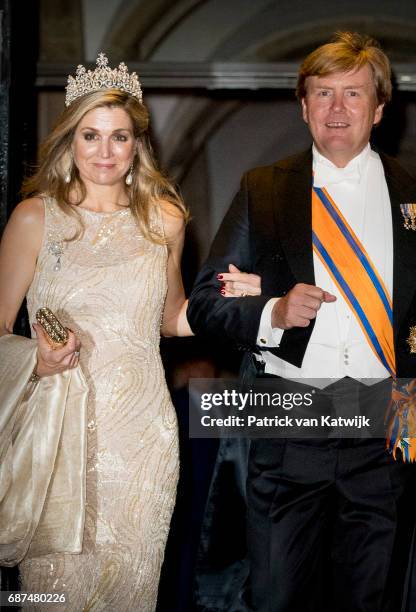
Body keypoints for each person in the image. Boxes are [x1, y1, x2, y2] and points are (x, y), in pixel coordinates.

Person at [188, 32, 416, 611]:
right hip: (289, 423)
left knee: (375, 597)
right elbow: (205, 302)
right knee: (277, 597)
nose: (336, 109)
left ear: (379, 109)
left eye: (353, 94)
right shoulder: (263, 189)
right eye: (322, 93)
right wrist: (273, 313)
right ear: (303, 107)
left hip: (386, 427)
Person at [0, 54, 258, 611]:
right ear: (69, 141)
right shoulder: (34, 219)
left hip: (145, 438)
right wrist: (36, 359)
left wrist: (243, 301)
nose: (104, 152)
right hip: (60, 436)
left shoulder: (163, 219)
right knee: (56, 597)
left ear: (137, 144)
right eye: (90, 135)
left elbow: (171, 319)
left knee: (131, 596)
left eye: (119, 137)